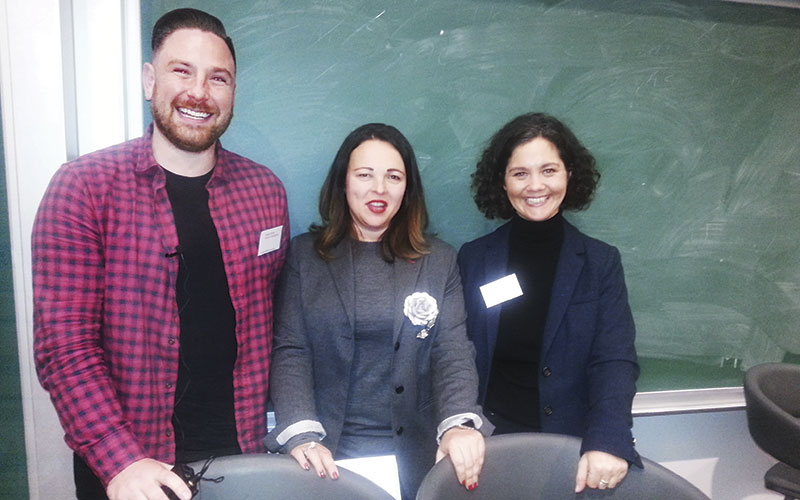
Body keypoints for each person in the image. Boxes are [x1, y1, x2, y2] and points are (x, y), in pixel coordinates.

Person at [32, 8, 288, 500]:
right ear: (150, 80)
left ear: (233, 91)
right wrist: (120, 459)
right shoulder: (84, 189)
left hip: (242, 459)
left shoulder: (265, 192)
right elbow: (65, 348)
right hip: (132, 469)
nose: (199, 92)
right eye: (181, 71)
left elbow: (271, 325)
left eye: (218, 77)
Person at [266, 123, 492, 499]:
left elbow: (451, 351)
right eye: (364, 175)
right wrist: (302, 436)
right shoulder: (305, 256)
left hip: (417, 455)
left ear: (408, 188)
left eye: (393, 176)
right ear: (343, 182)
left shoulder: (438, 260)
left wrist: (457, 425)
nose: (379, 189)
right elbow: (292, 351)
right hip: (327, 457)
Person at [458, 112, 643, 493]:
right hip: (489, 448)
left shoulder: (600, 262)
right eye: (520, 173)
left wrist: (608, 438)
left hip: (573, 449)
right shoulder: (474, 259)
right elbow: (456, 353)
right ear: (503, 182)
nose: (535, 186)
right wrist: (459, 426)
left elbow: (614, 358)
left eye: (548, 170)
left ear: (569, 175)